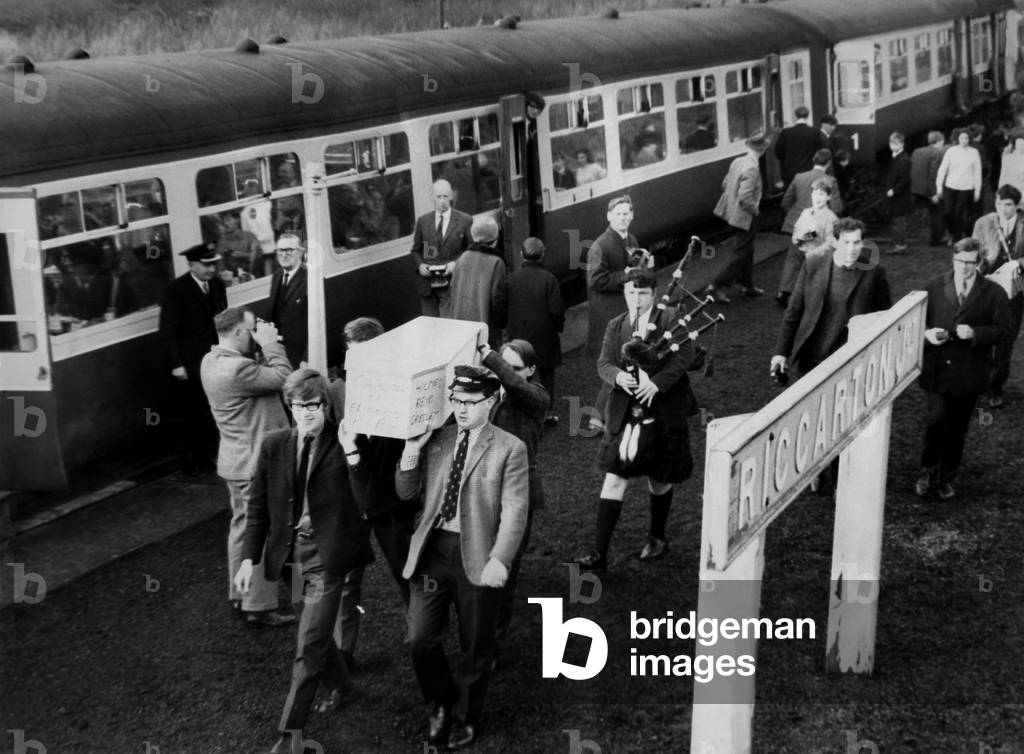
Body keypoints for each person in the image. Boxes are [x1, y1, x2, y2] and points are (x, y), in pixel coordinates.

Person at [235, 369, 374, 754]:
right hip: (291, 561)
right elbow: (259, 506)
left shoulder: (345, 440)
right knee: (313, 633)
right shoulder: (274, 445)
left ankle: (289, 737)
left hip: (327, 560)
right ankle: (343, 685)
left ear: (325, 406)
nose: (304, 413)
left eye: (312, 405)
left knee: (307, 646)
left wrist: (353, 452)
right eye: (297, 406)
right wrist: (248, 559)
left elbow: (368, 498)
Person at [398, 365, 528, 750]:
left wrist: (501, 559)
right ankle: (440, 701)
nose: (461, 409)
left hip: (478, 554)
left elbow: (516, 509)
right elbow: (407, 494)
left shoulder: (510, 448)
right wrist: (409, 453)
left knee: (476, 643)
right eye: (456, 400)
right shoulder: (438, 438)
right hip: (434, 551)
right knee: (419, 637)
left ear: (492, 401)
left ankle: (467, 717)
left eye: (471, 402)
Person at [576, 269, 698, 573]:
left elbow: (686, 357)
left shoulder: (671, 318)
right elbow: (604, 362)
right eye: (631, 293)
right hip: (626, 413)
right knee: (614, 477)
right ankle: (598, 554)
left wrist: (656, 383)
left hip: (664, 412)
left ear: (653, 294)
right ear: (625, 294)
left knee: (659, 479)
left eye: (643, 293)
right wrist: (618, 377)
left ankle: (657, 538)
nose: (637, 299)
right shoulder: (616, 325)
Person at [327, 317, 416, 671]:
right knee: (347, 579)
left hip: (391, 500)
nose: (358, 366)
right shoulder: (337, 389)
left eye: (365, 356)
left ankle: (419, 636)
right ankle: (343, 654)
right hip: (351, 495)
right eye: (352, 357)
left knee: (407, 571)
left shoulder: (405, 385)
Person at [200, 307, 295, 627]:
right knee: (265, 532)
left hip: (235, 461)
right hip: (257, 463)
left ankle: (239, 594)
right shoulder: (237, 370)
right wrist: (269, 344)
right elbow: (286, 378)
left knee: (242, 529)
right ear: (238, 333)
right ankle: (259, 605)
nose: (255, 333)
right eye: (252, 329)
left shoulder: (210, 362)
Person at [915, 239, 1012, 499]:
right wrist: (927, 334)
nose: (965, 268)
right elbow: (915, 324)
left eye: (971, 263)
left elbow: (1006, 331)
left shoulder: (993, 292)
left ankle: (946, 477)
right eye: (960, 262)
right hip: (937, 369)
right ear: (953, 259)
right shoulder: (933, 287)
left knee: (957, 427)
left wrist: (977, 333)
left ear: (979, 263)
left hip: (969, 372)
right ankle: (927, 468)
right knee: (935, 422)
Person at [479, 340, 549, 647]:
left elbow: (516, 387)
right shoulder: (492, 394)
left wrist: (491, 359)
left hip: (518, 496)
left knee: (504, 566)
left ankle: (492, 643)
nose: (506, 373)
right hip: (485, 490)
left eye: (515, 368)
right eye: (503, 366)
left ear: (531, 370)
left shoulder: (537, 396)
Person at [771, 217, 892, 380]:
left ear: (863, 243)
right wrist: (781, 352)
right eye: (845, 243)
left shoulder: (875, 274)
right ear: (835, 243)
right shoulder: (813, 265)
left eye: (856, 243)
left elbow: (884, 318)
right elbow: (794, 310)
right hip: (811, 361)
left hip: (852, 362)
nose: (851, 249)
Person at [158, 243, 228, 475]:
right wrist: (177, 364)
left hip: (213, 359)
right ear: (191, 265)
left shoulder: (217, 285)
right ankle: (189, 460)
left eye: (213, 264)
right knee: (191, 412)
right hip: (189, 363)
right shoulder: (176, 290)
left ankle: (207, 456)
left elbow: (223, 319)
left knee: (212, 408)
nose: (211, 269)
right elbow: (168, 330)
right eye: (206, 265)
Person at [493, 237, 566, 425]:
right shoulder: (549, 279)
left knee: (519, 372)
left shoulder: (510, 279)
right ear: (542, 255)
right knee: (547, 372)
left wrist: (502, 325)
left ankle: (521, 411)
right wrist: (558, 327)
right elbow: (556, 310)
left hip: (518, 334)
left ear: (521, 254)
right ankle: (546, 413)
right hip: (545, 334)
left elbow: (499, 307)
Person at [971, 184, 1024, 408]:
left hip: (1015, 292)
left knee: (1006, 340)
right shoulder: (984, 223)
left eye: (1009, 205)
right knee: (981, 337)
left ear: (1017, 205)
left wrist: (1019, 263)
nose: (1003, 209)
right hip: (987, 289)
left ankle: (995, 388)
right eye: (999, 203)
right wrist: (985, 262)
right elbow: (972, 253)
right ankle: (978, 383)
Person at [706, 130, 772, 303]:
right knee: (740, 252)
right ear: (762, 150)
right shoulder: (752, 167)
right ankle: (717, 285)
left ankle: (747, 285)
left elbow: (725, 183)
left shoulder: (738, 161)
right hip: (745, 216)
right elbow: (745, 196)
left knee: (747, 250)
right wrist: (755, 210)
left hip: (732, 214)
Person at [410, 179, 473, 316]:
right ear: (432, 197)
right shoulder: (423, 221)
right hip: (428, 286)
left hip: (452, 283)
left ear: (451, 196)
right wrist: (420, 265)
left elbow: (471, 250)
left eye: (445, 196)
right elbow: (416, 250)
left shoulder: (465, 220)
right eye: (439, 197)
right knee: (430, 326)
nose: (442, 201)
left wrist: (456, 264)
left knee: (449, 325)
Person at [443, 215, 507, 348]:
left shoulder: (462, 258)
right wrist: (502, 324)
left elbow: (452, 291)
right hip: (485, 331)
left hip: (462, 330)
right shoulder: (497, 262)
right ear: (495, 239)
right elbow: (498, 300)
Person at [776, 178, 839, 308]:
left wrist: (810, 240)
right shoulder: (806, 213)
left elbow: (831, 242)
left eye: (821, 194)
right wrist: (806, 237)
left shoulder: (831, 217)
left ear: (828, 197)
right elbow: (797, 233)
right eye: (815, 193)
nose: (817, 197)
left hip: (821, 261)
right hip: (806, 256)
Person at [268, 233, 308, 369]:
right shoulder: (277, 275)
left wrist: (307, 358)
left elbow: (318, 323)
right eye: (280, 250)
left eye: (289, 250)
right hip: (279, 350)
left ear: (301, 253)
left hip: (299, 355)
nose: (284, 255)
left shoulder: (309, 278)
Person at [936, 128, 983, 242]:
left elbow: (977, 172)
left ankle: (957, 239)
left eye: (966, 138)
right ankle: (952, 233)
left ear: (969, 139)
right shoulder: (951, 151)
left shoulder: (974, 152)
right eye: (962, 138)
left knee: (959, 213)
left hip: (966, 187)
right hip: (950, 186)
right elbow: (942, 169)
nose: (964, 140)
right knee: (947, 212)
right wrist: (939, 186)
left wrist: (977, 190)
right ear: (957, 138)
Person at [773, 106, 826, 188]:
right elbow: (821, 151)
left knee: (790, 198)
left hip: (789, 173)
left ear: (795, 116)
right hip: (809, 172)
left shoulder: (785, 132)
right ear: (808, 116)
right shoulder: (815, 132)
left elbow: (777, 152)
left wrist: (786, 162)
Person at [910, 131, 948, 247]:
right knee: (937, 213)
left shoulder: (916, 151)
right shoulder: (939, 153)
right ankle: (936, 240)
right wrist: (934, 194)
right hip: (928, 190)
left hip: (915, 188)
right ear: (940, 140)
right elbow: (933, 174)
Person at [884, 131, 913, 253]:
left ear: (902, 144)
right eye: (891, 143)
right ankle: (897, 242)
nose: (893, 145)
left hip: (900, 196)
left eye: (895, 143)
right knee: (896, 220)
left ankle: (900, 245)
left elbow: (905, 179)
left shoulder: (904, 159)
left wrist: (894, 190)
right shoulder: (896, 157)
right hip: (895, 196)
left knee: (899, 221)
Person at [215, 210, 261, 280]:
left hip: (252, 277)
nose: (225, 223)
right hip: (232, 280)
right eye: (223, 221)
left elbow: (259, 254)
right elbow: (219, 263)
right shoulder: (222, 242)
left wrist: (244, 255)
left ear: (237, 220)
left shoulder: (249, 236)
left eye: (228, 220)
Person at [997, 131, 1024, 197]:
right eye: (1019, 144)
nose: (1021, 147)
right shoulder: (1007, 158)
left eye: (1023, 144)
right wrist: (1000, 189)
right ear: (1015, 145)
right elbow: (1003, 175)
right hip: (1010, 191)